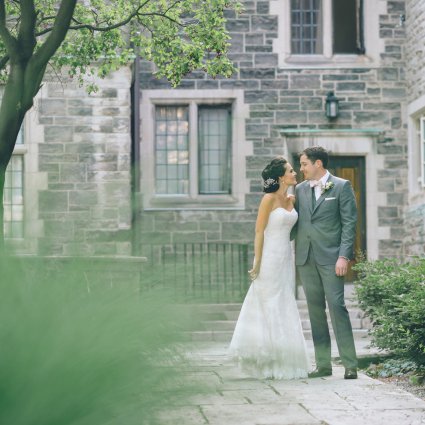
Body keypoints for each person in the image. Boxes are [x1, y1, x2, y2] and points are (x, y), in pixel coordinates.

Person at [228, 157, 309, 379]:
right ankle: (267, 360)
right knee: (268, 302)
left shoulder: (291, 199)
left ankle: (285, 359)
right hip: (270, 258)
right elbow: (258, 232)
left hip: (285, 258)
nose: (295, 173)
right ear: (282, 177)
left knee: (284, 301)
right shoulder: (268, 199)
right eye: (291, 171)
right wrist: (257, 261)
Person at [291, 146, 358, 379]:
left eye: (304, 164)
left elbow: (349, 224)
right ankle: (323, 365)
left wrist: (343, 256)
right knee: (315, 312)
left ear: (318, 163)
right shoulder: (299, 190)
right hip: (306, 258)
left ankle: (350, 364)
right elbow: (295, 223)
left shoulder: (341, 186)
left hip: (332, 259)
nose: (301, 169)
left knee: (337, 308)